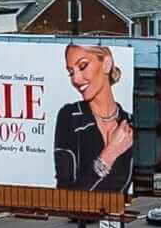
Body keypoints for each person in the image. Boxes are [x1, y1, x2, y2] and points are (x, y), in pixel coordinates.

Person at [52, 43, 134, 194]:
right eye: (71, 72)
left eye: (82, 66)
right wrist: (109, 154)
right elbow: (65, 197)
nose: (76, 79)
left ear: (106, 64)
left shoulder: (130, 124)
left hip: (117, 216)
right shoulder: (70, 117)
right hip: (79, 217)